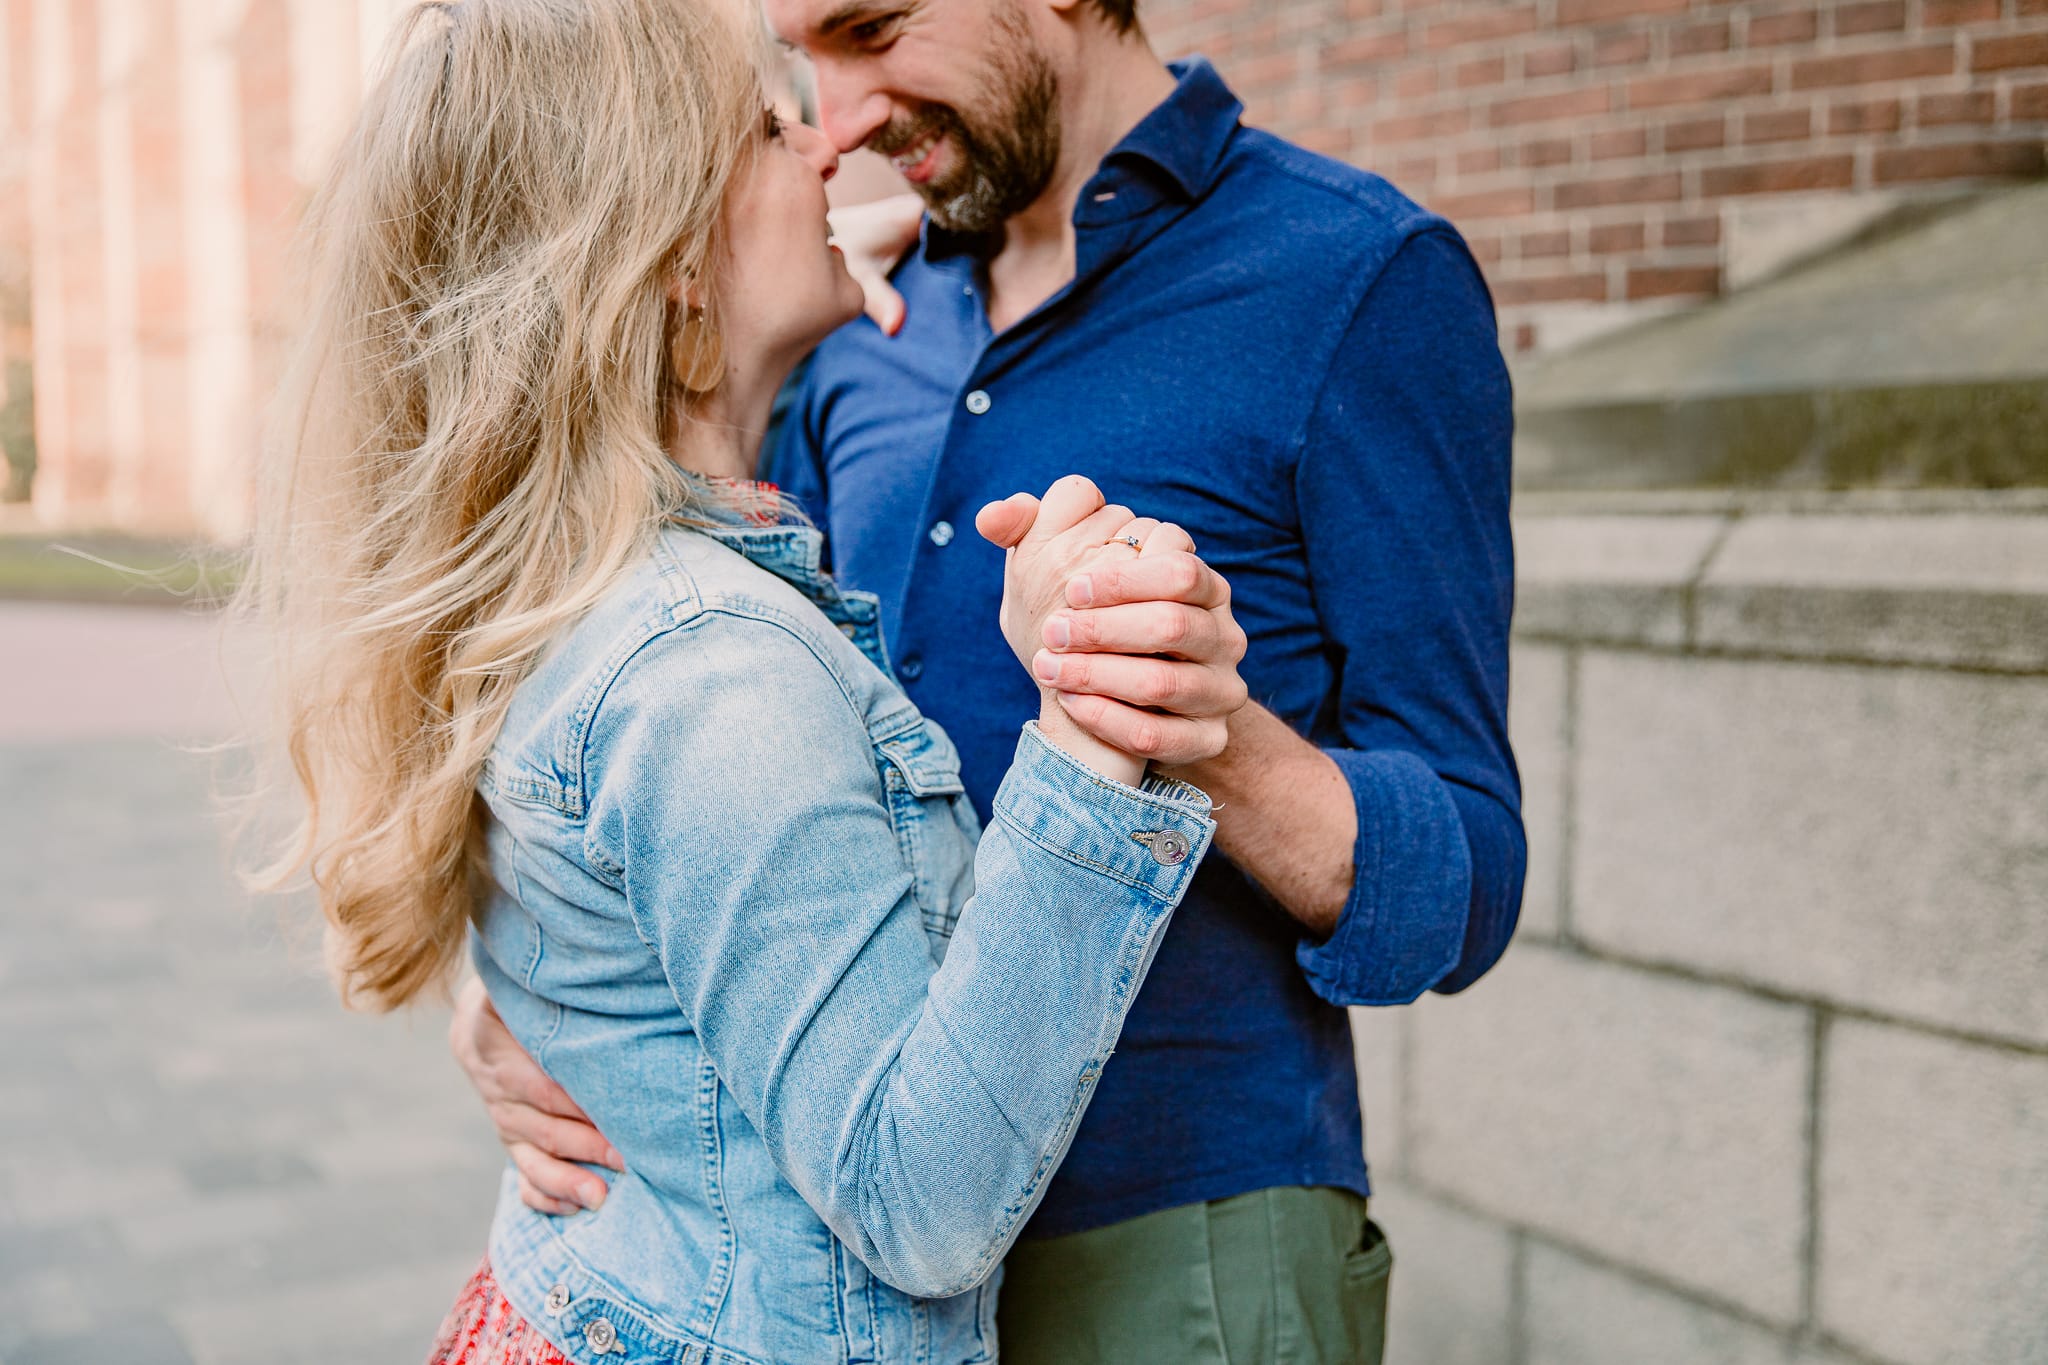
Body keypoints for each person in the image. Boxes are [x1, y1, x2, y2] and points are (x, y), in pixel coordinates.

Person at [455, 0, 1526, 1360]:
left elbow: (1471, 875)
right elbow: (691, 719)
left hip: (1175, 1241)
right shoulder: (858, 321)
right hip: (846, 1240)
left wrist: (1196, 723)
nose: (836, 126)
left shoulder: (1359, 279)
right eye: (803, 66)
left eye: (874, 29)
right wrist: (528, 986)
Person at [238, 2, 1260, 1362]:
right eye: (771, 125)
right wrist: (1085, 726)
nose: (831, 147)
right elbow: (923, 1201)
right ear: (663, 256)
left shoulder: (589, 590)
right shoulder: (708, 672)